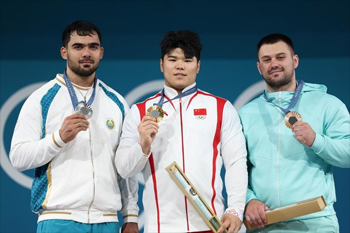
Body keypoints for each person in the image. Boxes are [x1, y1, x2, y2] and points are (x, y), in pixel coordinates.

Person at [9, 20, 139, 233]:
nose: (86, 52)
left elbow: (125, 166)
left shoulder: (117, 102)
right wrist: (58, 138)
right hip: (58, 219)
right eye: (78, 47)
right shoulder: (41, 99)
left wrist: (131, 215)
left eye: (93, 47)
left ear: (101, 52)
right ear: (64, 52)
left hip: (106, 220)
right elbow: (18, 157)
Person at [115, 30, 248, 233]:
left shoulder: (221, 108)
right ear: (161, 65)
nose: (179, 66)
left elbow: (236, 162)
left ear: (198, 66)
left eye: (187, 60)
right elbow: (124, 169)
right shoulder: (140, 112)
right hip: (160, 227)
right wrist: (142, 145)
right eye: (172, 59)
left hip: (211, 224)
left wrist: (236, 209)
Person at [238, 33, 350, 232]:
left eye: (280, 57)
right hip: (265, 224)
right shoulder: (245, 114)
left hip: (315, 223)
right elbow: (236, 169)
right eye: (267, 59)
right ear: (259, 67)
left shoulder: (327, 104)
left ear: (295, 60)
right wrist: (249, 199)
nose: (274, 64)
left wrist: (317, 140)